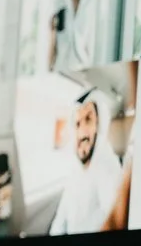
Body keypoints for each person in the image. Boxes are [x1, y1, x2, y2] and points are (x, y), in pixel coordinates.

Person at [49, 88, 125, 234]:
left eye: (88, 120)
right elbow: (59, 221)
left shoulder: (108, 166)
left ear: (99, 126)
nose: (82, 131)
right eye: (77, 124)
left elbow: (114, 219)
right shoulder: (74, 171)